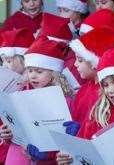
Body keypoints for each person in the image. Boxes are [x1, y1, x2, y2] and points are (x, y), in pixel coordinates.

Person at [1, 37, 73, 165]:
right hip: (17, 155)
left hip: (46, 160)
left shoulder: (64, 100)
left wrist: (48, 154)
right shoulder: (20, 94)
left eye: (39, 71)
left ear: (53, 74)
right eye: (29, 70)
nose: (33, 75)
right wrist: (6, 134)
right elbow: (13, 127)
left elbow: (63, 138)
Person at [69, 26, 114, 124]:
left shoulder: (109, 94)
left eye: (80, 60)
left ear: (95, 63)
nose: (75, 64)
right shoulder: (84, 90)